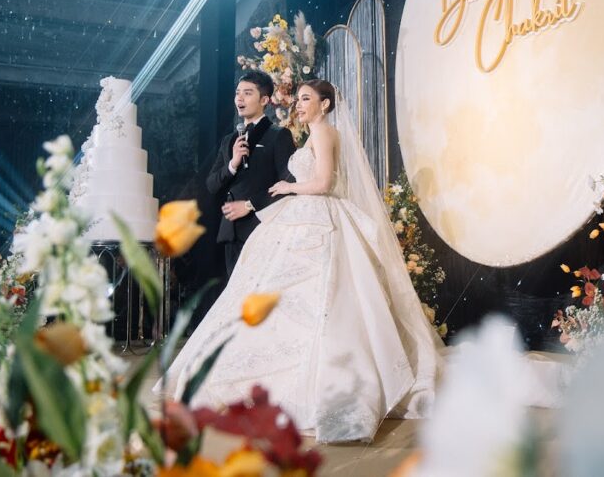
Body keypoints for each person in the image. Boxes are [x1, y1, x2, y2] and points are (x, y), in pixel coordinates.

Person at [162, 79, 442, 443]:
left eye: (306, 99)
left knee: (323, 297)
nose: (299, 104)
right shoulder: (312, 135)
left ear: (325, 104)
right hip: (300, 216)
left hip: (318, 218)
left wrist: (289, 187)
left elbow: (323, 182)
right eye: (298, 99)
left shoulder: (324, 133)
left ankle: (326, 386)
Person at [206, 70, 295, 276]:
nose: (240, 98)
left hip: (263, 227)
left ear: (264, 100)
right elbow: (211, 184)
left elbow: (289, 184)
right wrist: (232, 164)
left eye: (247, 93)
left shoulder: (278, 135)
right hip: (231, 231)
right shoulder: (229, 140)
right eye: (238, 93)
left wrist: (249, 205)